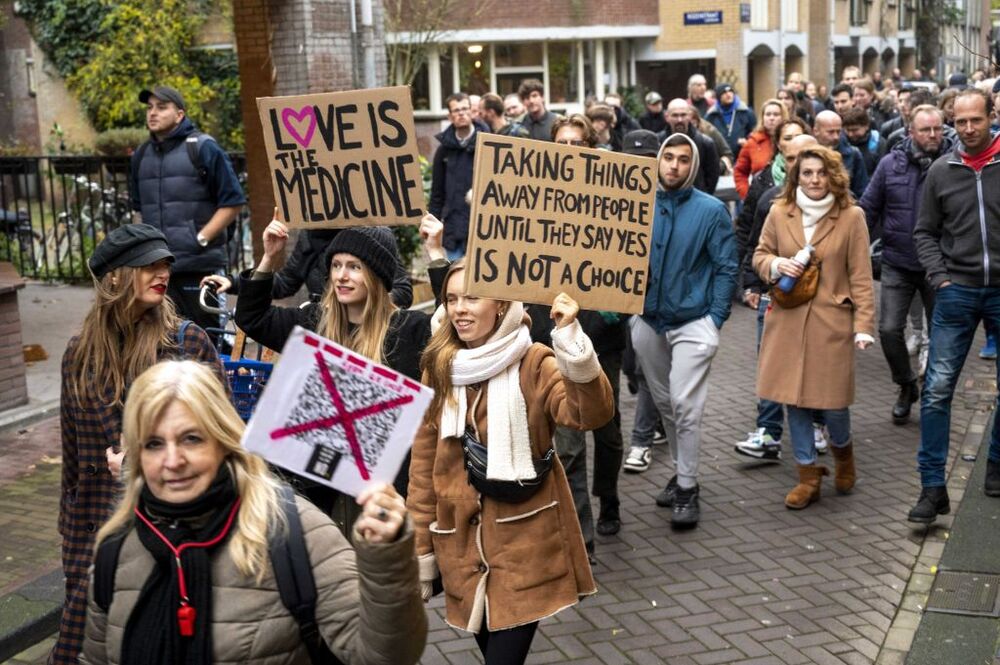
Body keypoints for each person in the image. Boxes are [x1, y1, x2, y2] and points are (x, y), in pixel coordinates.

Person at [77, 360, 426, 665]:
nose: (172, 461)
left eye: (191, 439)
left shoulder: (295, 533)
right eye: (154, 444)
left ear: (223, 441)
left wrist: (386, 561)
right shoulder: (116, 546)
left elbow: (385, 656)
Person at [408, 261, 613, 665]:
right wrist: (420, 548)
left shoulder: (535, 362)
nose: (459, 309)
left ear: (501, 304)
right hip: (462, 550)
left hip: (527, 547)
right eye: (451, 299)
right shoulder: (440, 368)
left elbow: (589, 415)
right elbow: (423, 466)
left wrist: (571, 340)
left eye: (472, 297)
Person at [52, 225, 225, 664]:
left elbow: (225, 441)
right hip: (96, 526)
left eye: (164, 262)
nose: (161, 272)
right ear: (114, 277)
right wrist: (70, 532)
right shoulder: (79, 353)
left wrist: (147, 463)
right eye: (148, 264)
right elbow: (72, 456)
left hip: (173, 529)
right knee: (82, 649)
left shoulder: (186, 342)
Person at [233, 215, 431, 532]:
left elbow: (457, 339)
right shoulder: (314, 321)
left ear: (376, 274)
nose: (341, 276)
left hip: (381, 491)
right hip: (316, 487)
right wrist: (270, 257)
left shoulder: (411, 329)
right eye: (336, 265)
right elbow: (251, 317)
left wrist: (436, 255)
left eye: (354, 266)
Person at [753, 145, 876, 509]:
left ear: (833, 175)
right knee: (794, 401)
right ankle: (807, 475)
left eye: (821, 173)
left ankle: (844, 457)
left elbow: (861, 277)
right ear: (796, 176)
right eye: (807, 173)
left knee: (834, 404)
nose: (814, 180)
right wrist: (777, 265)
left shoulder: (851, 216)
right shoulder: (779, 212)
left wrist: (864, 325)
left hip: (831, 323)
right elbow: (759, 255)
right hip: (787, 321)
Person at [631, 133, 738, 527]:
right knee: (665, 404)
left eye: (682, 159)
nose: (673, 166)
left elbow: (727, 266)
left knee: (685, 406)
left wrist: (715, 320)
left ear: (692, 165)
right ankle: (680, 474)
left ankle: (689, 488)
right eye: (668, 158)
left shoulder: (710, 210)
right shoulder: (639, 204)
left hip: (694, 321)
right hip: (646, 320)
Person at [910, 88, 1000, 523]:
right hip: (957, 291)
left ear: (990, 117)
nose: (967, 129)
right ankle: (932, 488)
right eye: (959, 122)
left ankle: (996, 463)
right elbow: (924, 231)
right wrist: (940, 278)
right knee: (936, 391)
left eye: (975, 121)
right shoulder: (942, 171)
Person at [859, 104, 953, 425]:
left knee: (942, 333)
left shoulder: (954, 164)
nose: (932, 135)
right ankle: (906, 385)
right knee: (888, 330)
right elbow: (868, 208)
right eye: (925, 129)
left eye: (937, 129)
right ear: (910, 131)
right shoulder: (890, 164)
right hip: (897, 261)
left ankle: (934, 394)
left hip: (939, 265)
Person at [129, 85, 246, 334]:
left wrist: (200, 238)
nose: (153, 113)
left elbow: (233, 201)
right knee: (161, 342)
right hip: (157, 269)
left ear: (180, 114)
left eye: (162, 107)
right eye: (149, 108)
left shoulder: (203, 148)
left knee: (207, 342)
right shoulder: (141, 155)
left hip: (200, 268)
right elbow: (138, 209)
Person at [734, 133, 819, 460]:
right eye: (792, 158)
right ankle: (769, 432)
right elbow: (756, 243)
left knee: (813, 365)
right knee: (769, 363)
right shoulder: (770, 198)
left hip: (816, 301)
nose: (799, 166)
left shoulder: (835, 201)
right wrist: (752, 284)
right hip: (775, 296)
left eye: (806, 157)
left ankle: (818, 424)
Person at [430, 92, 487, 260]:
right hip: (453, 229)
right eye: (456, 110)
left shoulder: (488, 143)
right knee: (456, 281)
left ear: (473, 111)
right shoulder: (443, 150)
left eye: (464, 109)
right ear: (450, 116)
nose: (461, 113)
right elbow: (437, 192)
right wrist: (431, 224)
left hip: (482, 228)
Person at [658, 99, 720, 194]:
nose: (680, 120)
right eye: (675, 115)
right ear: (667, 117)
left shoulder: (705, 143)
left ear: (690, 116)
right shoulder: (658, 141)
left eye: (683, 115)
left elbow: (712, 176)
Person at [734, 98, 787, 199]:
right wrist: (747, 195)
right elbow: (740, 171)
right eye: (768, 114)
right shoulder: (753, 142)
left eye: (776, 115)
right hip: (760, 199)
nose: (771, 118)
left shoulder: (792, 140)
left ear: (783, 117)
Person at [813, 110, 869, 199]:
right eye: (830, 132)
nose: (836, 137)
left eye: (838, 132)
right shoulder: (805, 154)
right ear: (816, 131)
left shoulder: (853, 155)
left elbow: (862, 191)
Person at [706, 83, 757, 158]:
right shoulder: (711, 115)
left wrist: (747, 141)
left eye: (730, 91)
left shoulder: (746, 112)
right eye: (724, 93)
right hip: (720, 157)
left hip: (742, 155)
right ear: (718, 97)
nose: (728, 94)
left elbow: (755, 132)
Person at [842, 106, 887, 177]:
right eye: (848, 130)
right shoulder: (842, 142)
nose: (850, 134)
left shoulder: (878, 143)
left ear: (866, 126)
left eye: (854, 130)